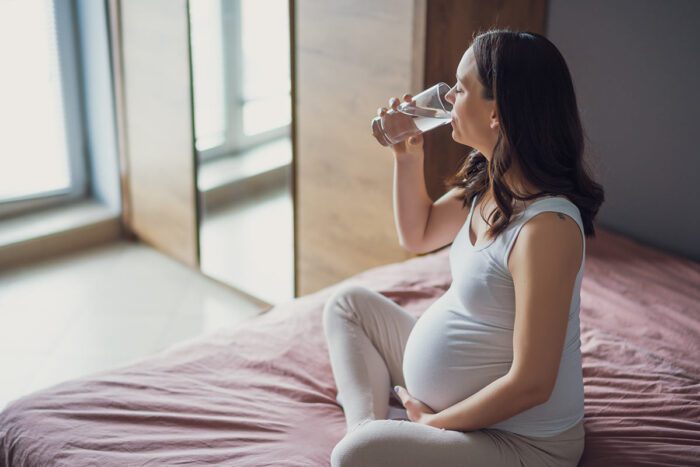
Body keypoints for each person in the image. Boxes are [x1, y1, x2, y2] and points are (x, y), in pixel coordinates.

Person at [322, 28, 605, 466]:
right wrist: (406, 155)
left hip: (520, 441)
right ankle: (370, 431)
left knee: (353, 456)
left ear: (498, 112)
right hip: (456, 408)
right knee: (347, 305)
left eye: (461, 87)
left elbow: (533, 382)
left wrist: (433, 426)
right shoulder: (490, 183)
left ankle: (375, 442)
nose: (448, 98)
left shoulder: (547, 228)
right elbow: (416, 235)